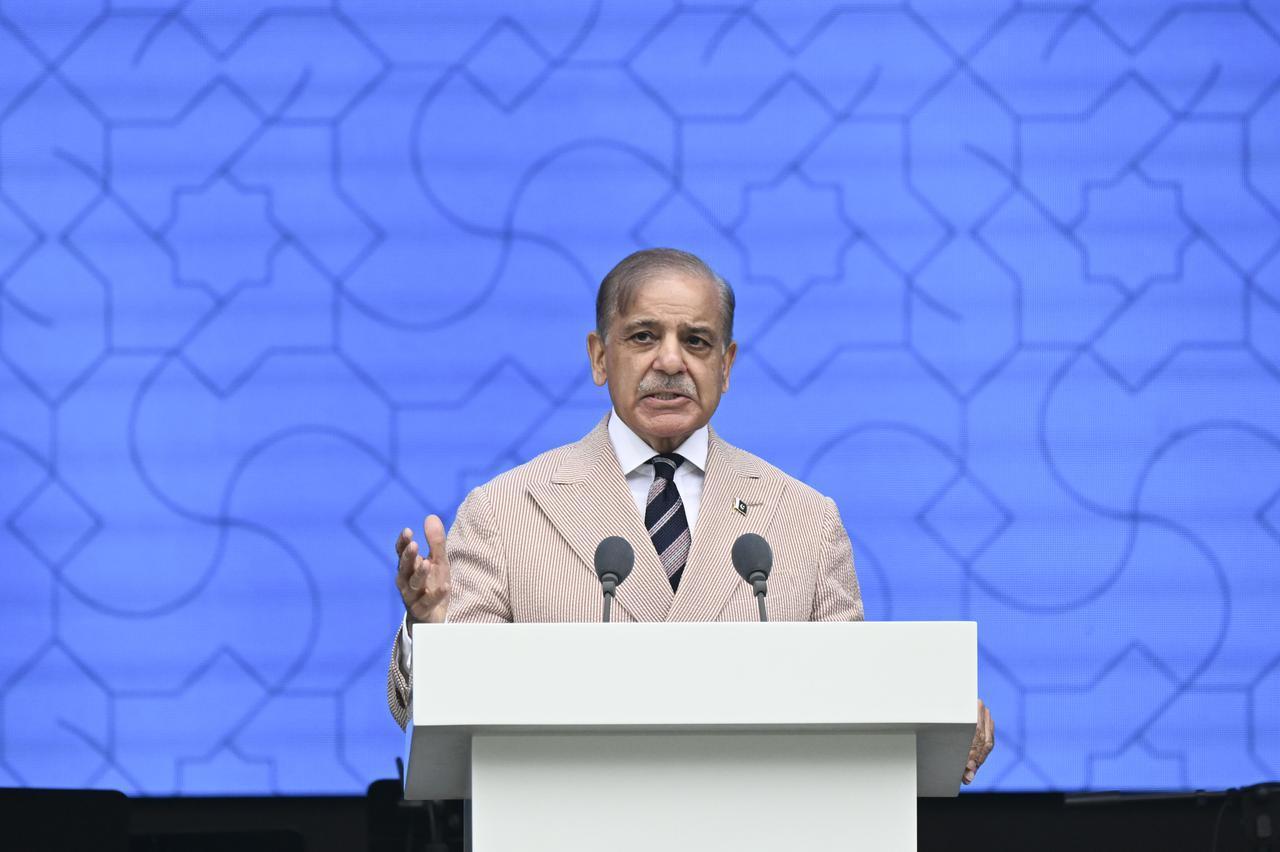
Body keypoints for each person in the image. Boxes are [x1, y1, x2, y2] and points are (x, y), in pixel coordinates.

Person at [385, 248, 995, 783]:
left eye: (696, 341)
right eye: (643, 337)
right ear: (599, 357)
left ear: (726, 366)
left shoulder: (805, 519)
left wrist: (936, 711)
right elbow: (437, 710)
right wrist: (434, 634)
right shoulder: (506, 511)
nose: (671, 361)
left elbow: (853, 691)